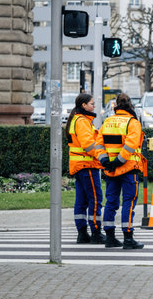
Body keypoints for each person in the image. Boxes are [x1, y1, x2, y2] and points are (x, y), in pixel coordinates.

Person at [96, 93, 145, 249]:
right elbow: (130, 146)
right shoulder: (133, 123)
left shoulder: (107, 122)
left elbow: (99, 145)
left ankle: (110, 237)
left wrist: (105, 161)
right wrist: (119, 161)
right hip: (128, 168)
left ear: (115, 105)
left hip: (111, 170)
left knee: (111, 202)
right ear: (130, 105)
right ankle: (128, 238)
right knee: (128, 203)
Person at [66, 93, 105, 244]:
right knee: (95, 199)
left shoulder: (77, 119)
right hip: (87, 165)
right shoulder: (82, 121)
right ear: (84, 105)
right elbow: (89, 145)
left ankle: (82, 233)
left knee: (81, 201)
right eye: (92, 103)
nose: (94, 106)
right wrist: (102, 156)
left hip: (80, 166)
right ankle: (96, 232)